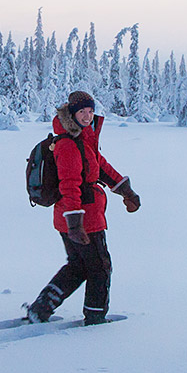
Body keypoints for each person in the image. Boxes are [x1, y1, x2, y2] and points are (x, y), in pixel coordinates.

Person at [24, 91, 141, 325]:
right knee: (100, 267)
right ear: (72, 114)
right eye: (82, 112)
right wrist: (75, 224)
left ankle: (41, 308)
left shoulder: (82, 141)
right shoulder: (68, 144)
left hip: (73, 217)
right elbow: (69, 185)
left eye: (90, 111)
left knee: (77, 267)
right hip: (82, 218)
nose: (87, 116)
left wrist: (126, 191)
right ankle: (95, 317)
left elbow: (102, 167)